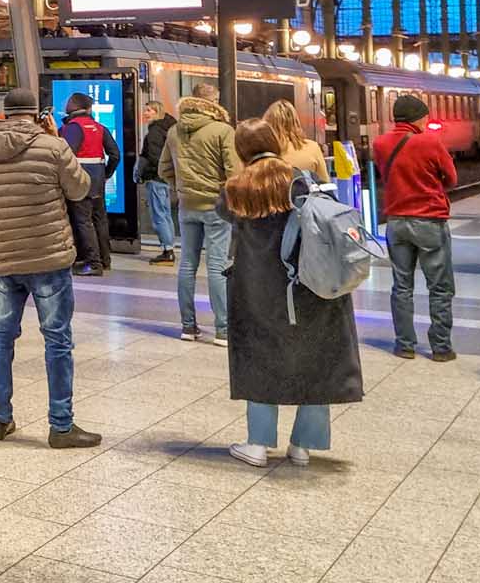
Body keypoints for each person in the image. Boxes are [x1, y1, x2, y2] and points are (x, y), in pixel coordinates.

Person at [219, 119, 362, 467]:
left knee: (258, 358)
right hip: (306, 284)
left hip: (255, 289)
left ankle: (257, 444)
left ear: (241, 150)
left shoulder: (234, 188)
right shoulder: (300, 180)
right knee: (316, 359)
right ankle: (302, 445)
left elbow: (224, 214)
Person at [0, 88, 100, 448]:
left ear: (6, 115)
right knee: (57, 339)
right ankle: (60, 426)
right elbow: (79, 189)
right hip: (48, 258)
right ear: (38, 115)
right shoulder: (52, 147)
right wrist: (59, 141)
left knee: (1, 337)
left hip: (5, 259)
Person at [371, 94, 458, 361]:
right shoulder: (430, 141)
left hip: (396, 222)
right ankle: (441, 347)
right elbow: (452, 179)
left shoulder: (380, 143)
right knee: (440, 287)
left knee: (401, 286)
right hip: (429, 221)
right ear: (418, 118)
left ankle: (404, 345)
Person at [160, 84, 239, 345]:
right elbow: (233, 171)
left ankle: (188, 326)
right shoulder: (223, 130)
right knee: (217, 266)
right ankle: (223, 330)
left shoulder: (173, 131)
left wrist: (180, 187)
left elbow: (164, 169)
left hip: (187, 206)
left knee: (187, 264)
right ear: (214, 102)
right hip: (215, 205)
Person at [60, 92, 118, 276]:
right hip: (98, 179)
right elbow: (115, 154)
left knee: (83, 221)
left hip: (80, 180)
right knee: (99, 219)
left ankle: (92, 262)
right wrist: (106, 174)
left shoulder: (72, 128)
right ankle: (105, 259)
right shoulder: (99, 127)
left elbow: (66, 155)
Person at [135, 100, 177, 265]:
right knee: (166, 214)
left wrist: (145, 173)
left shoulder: (154, 132)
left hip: (156, 178)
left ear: (156, 111)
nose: (145, 113)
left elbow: (154, 157)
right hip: (167, 179)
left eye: (149, 110)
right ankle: (169, 247)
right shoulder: (169, 128)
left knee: (159, 215)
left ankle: (167, 251)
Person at [263, 100, 330, 186]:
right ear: (296, 122)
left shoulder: (265, 150)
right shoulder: (312, 147)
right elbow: (325, 184)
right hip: (306, 198)